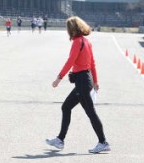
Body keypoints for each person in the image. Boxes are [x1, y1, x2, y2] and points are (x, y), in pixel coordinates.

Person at [46, 16, 110, 154]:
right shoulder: (86, 42)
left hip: (82, 82)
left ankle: (103, 142)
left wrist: (59, 78)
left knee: (90, 112)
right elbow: (92, 64)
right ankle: (60, 139)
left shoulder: (77, 42)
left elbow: (70, 61)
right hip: (85, 80)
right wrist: (95, 81)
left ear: (72, 29)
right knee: (66, 107)